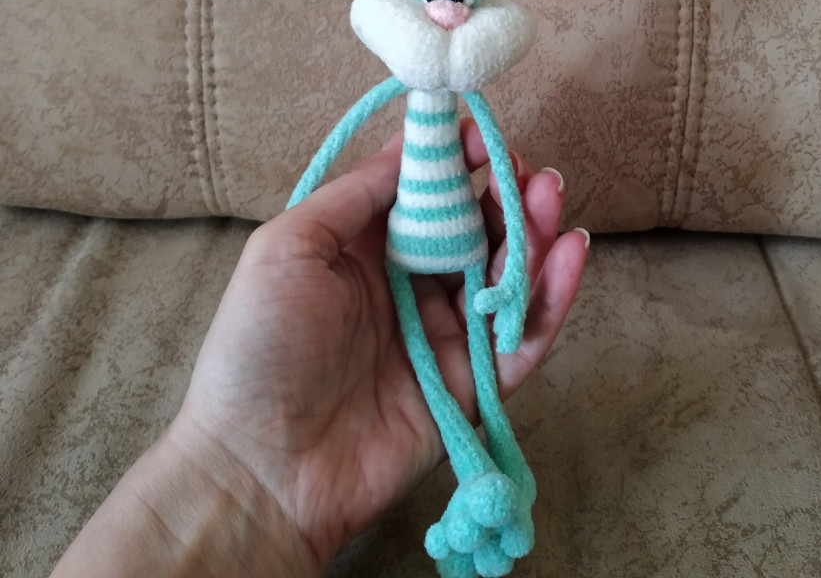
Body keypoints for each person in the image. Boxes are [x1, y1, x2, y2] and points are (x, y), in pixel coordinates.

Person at [50, 122, 589, 578]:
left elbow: (504, 189)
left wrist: (511, 279)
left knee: (472, 373)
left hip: (455, 248)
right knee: (446, 368)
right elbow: (333, 154)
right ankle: (487, 494)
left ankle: (500, 485)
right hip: (408, 253)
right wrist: (224, 456)